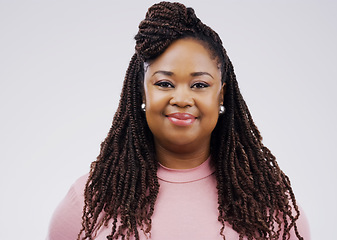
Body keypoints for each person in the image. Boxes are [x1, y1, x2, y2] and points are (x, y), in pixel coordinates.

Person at [47, 2, 310, 240]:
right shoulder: (91, 197)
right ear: (142, 92)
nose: (182, 98)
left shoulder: (268, 200)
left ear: (222, 94)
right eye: (164, 83)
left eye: (199, 84)